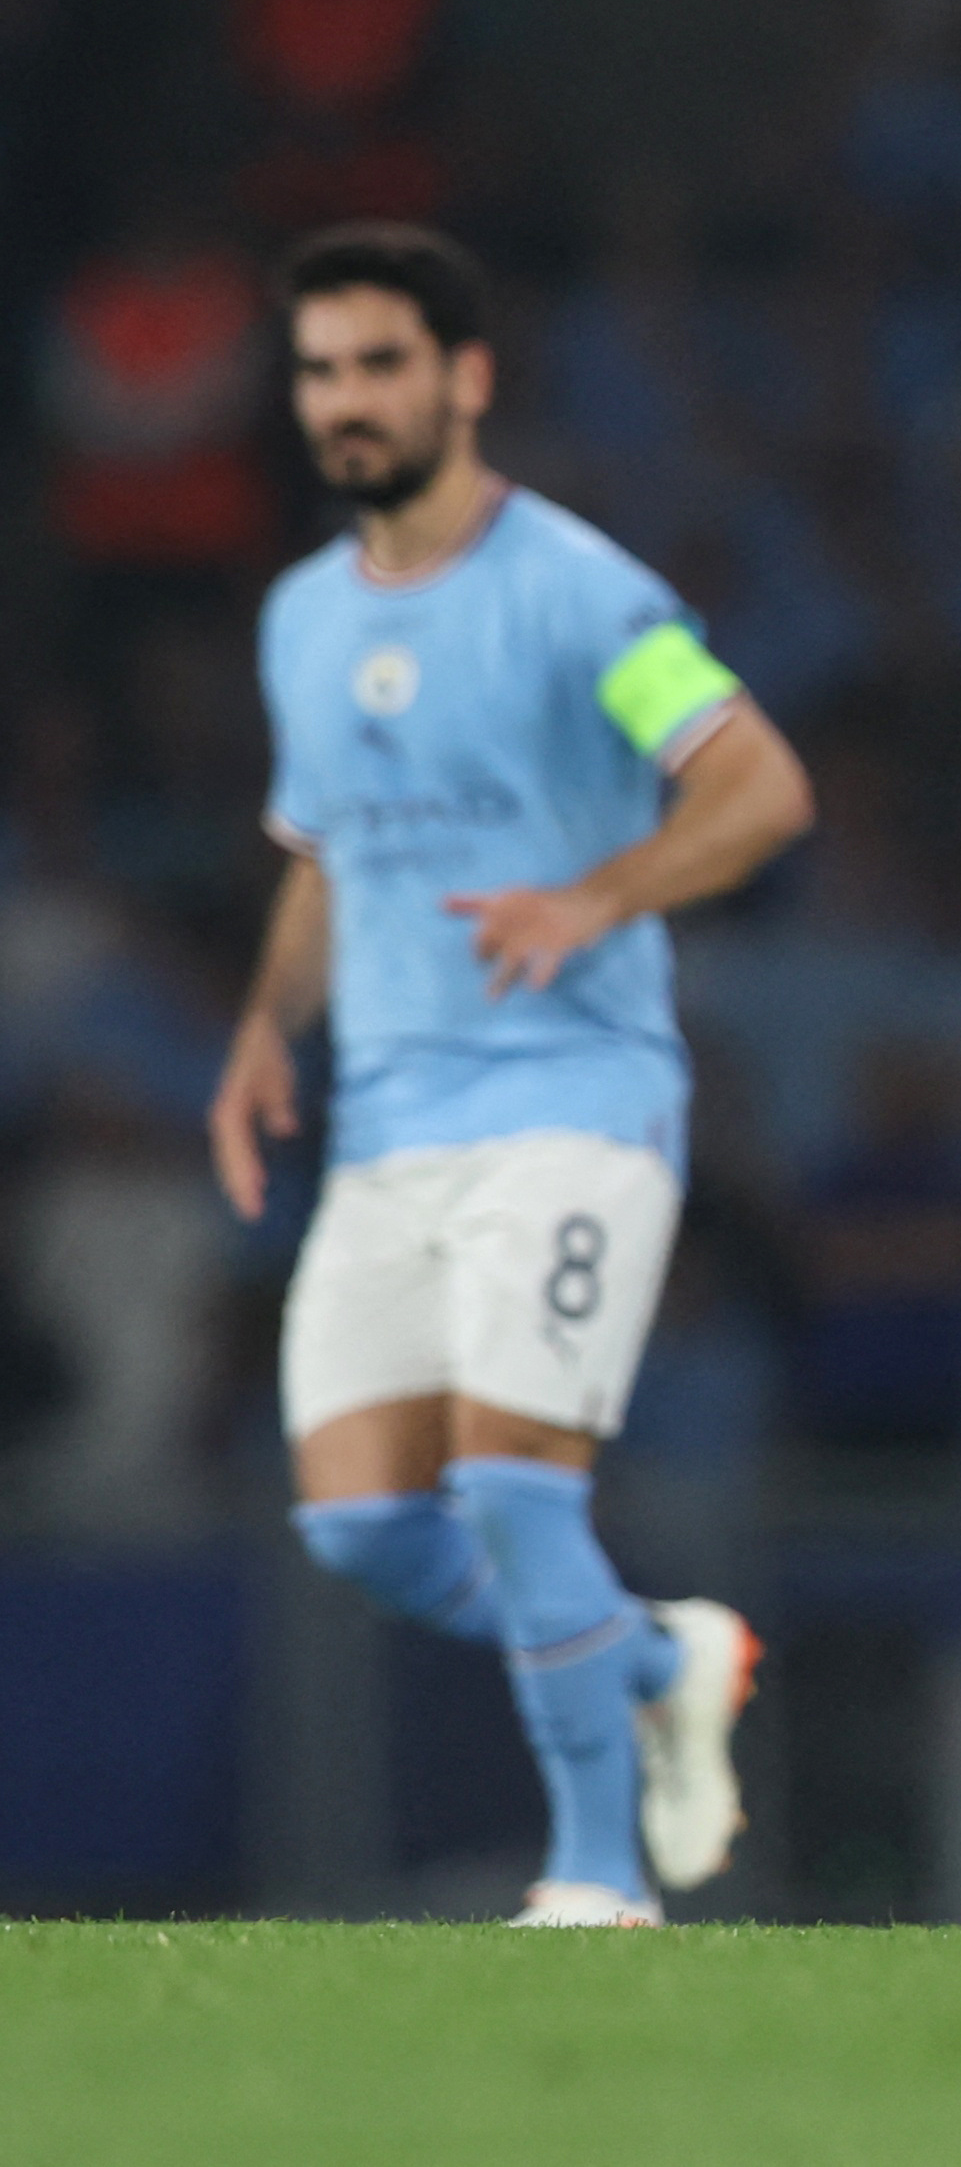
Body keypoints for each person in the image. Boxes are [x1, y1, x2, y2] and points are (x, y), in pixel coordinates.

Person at [213, 221, 813, 1926]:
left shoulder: (581, 594)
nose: (348, 399)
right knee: (359, 1531)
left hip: (572, 1097)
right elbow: (325, 850)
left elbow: (759, 786)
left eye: (381, 363)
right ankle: (660, 1659)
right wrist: (266, 1026)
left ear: (465, 378)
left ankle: (596, 1879)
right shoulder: (301, 618)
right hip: (387, 1125)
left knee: (512, 1485)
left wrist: (598, 893)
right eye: (321, 369)